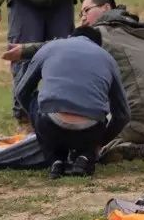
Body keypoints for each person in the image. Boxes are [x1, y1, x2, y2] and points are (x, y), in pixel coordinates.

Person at [3, 0, 144, 160]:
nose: (83, 17)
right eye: (80, 13)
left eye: (86, 10)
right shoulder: (134, 32)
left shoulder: (103, 33)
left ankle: (116, 146)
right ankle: (129, 143)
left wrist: (25, 50)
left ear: (106, 8)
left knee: (83, 122)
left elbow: (62, 46)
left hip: (135, 120)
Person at [14, 26, 129, 179]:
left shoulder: (51, 47)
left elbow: (22, 91)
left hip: (51, 126)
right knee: (102, 111)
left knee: (36, 101)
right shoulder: (107, 58)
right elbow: (122, 115)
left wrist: (37, 120)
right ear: (98, 44)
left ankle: (55, 160)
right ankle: (86, 156)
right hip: (89, 131)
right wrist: (98, 143)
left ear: (70, 37)